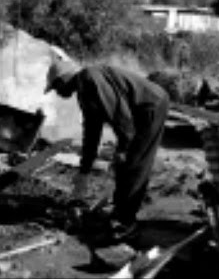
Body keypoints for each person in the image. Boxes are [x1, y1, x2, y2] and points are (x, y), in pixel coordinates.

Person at [44, 51, 170, 244]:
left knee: (135, 163)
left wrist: (123, 148)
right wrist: (84, 170)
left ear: (63, 79)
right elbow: (92, 133)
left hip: (150, 106)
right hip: (139, 112)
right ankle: (120, 212)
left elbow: (122, 116)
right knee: (124, 163)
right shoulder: (84, 92)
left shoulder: (90, 78)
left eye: (56, 87)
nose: (57, 93)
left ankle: (126, 224)